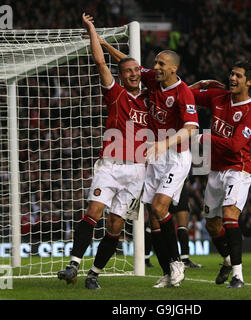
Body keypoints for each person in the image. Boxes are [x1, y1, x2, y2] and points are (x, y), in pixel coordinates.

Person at [98, 40, 199, 288]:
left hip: (176, 154)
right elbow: (127, 63)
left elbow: (191, 129)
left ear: (174, 68)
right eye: (155, 63)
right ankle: (167, 272)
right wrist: (104, 44)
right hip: (155, 156)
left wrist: (165, 143)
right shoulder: (153, 79)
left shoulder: (182, 91)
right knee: (153, 218)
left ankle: (177, 262)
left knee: (159, 206)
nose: (155, 67)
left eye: (161, 64)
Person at [57, 13, 148, 290]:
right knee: (93, 210)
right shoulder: (116, 93)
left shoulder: (152, 99)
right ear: (121, 76)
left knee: (115, 226)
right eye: (128, 71)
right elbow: (99, 61)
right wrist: (92, 30)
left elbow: (177, 87)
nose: (133, 74)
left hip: (137, 171)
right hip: (110, 164)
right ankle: (73, 264)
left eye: (137, 70)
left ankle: (94, 273)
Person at [190, 61, 251, 288]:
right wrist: (199, 84)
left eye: (238, 76)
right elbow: (184, 96)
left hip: (238, 170)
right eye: (231, 74)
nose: (232, 78)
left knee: (230, 215)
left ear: (249, 82)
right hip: (215, 170)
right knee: (211, 224)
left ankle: (238, 276)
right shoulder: (218, 97)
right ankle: (228, 259)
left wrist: (205, 138)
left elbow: (235, 145)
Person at [145, 182, 203, 268]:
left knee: (182, 221)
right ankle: (145, 258)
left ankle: (184, 259)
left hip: (178, 182)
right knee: (155, 219)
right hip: (162, 181)